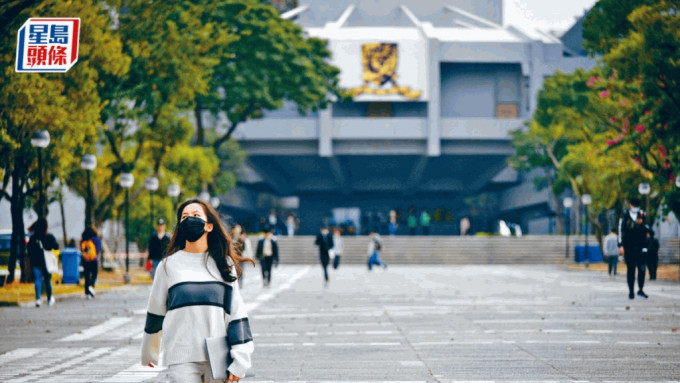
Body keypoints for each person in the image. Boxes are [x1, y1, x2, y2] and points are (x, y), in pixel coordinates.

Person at [141, 198, 255, 382]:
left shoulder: (223, 264)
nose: (190, 220)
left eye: (195, 215)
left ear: (209, 226)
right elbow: (155, 310)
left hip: (218, 355)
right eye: (184, 217)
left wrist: (241, 358)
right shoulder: (168, 266)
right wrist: (149, 352)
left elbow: (236, 313)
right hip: (180, 354)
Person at [618, 198, 648, 299]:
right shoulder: (625, 215)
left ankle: (640, 289)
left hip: (640, 246)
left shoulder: (642, 214)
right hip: (629, 246)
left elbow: (647, 228)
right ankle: (631, 291)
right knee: (631, 269)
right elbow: (621, 230)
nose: (636, 208)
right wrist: (621, 245)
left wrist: (641, 223)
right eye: (634, 206)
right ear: (630, 205)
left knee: (642, 269)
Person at [26, 218, 59, 307]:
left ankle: (38, 299)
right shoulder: (49, 236)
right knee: (48, 280)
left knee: (38, 280)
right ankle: (49, 299)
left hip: (36, 262)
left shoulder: (33, 237)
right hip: (46, 263)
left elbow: (29, 249)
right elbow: (56, 246)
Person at [80, 226, 102, 299]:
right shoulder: (96, 239)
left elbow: (82, 250)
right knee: (94, 275)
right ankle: (91, 286)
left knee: (87, 276)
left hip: (85, 260)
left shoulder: (83, 240)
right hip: (93, 260)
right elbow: (99, 249)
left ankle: (87, 293)